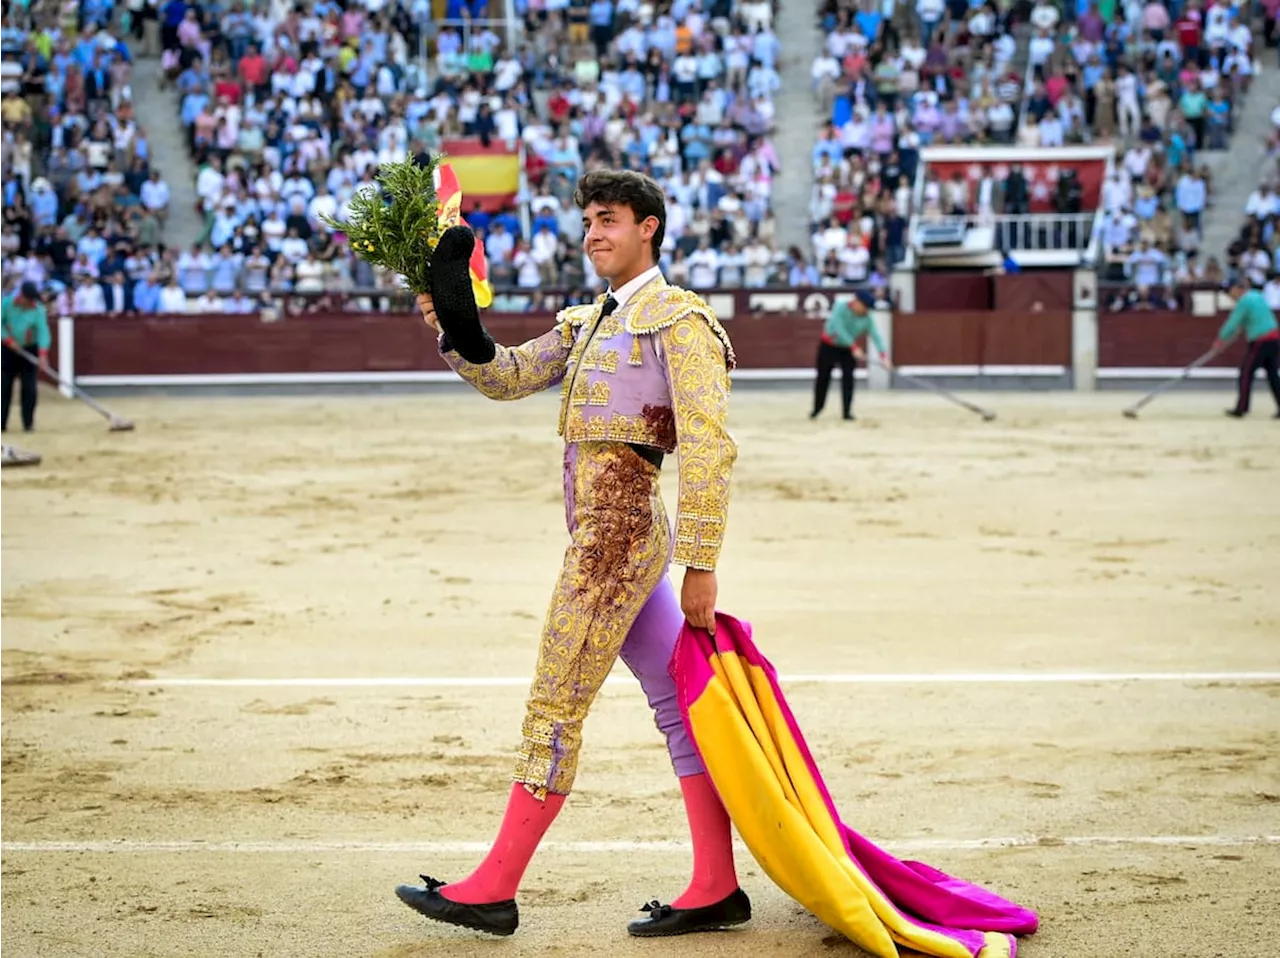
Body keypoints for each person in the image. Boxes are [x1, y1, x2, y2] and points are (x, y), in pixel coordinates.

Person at [397, 170, 748, 939]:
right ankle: (716, 883)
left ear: (648, 228)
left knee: (555, 706)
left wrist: (702, 562)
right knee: (678, 704)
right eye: (588, 220)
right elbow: (509, 375)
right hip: (604, 540)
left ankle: (494, 887)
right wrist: (454, 315)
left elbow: (709, 449)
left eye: (609, 220)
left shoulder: (678, 322)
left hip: (615, 546)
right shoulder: (591, 320)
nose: (593, 233)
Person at [811, 290, 891, 421]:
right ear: (857, 302)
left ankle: (847, 412)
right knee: (823, 378)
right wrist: (853, 346)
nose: (866, 311)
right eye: (865, 307)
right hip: (828, 346)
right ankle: (817, 409)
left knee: (848, 379)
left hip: (847, 349)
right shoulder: (840, 307)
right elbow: (838, 328)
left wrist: (884, 357)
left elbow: (875, 336)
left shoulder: (867, 316)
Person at [1216, 279, 1280, 418]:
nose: (1230, 296)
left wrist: (1221, 340)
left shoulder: (1244, 301)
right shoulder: (1257, 296)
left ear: (1236, 289)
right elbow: (1253, 318)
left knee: (1246, 373)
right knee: (1273, 375)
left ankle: (1242, 408)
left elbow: (1232, 323)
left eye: (1229, 292)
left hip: (1260, 341)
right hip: (1274, 339)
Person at [0, 282, 51, 434]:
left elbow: (43, 332)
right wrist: (8, 340)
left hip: (29, 348)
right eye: (30, 300)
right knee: (4, 385)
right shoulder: (6, 304)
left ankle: (28, 424)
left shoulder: (38, 309)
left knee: (29, 387)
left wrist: (42, 354)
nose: (32, 303)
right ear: (22, 297)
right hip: (7, 349)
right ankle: (1, 423)